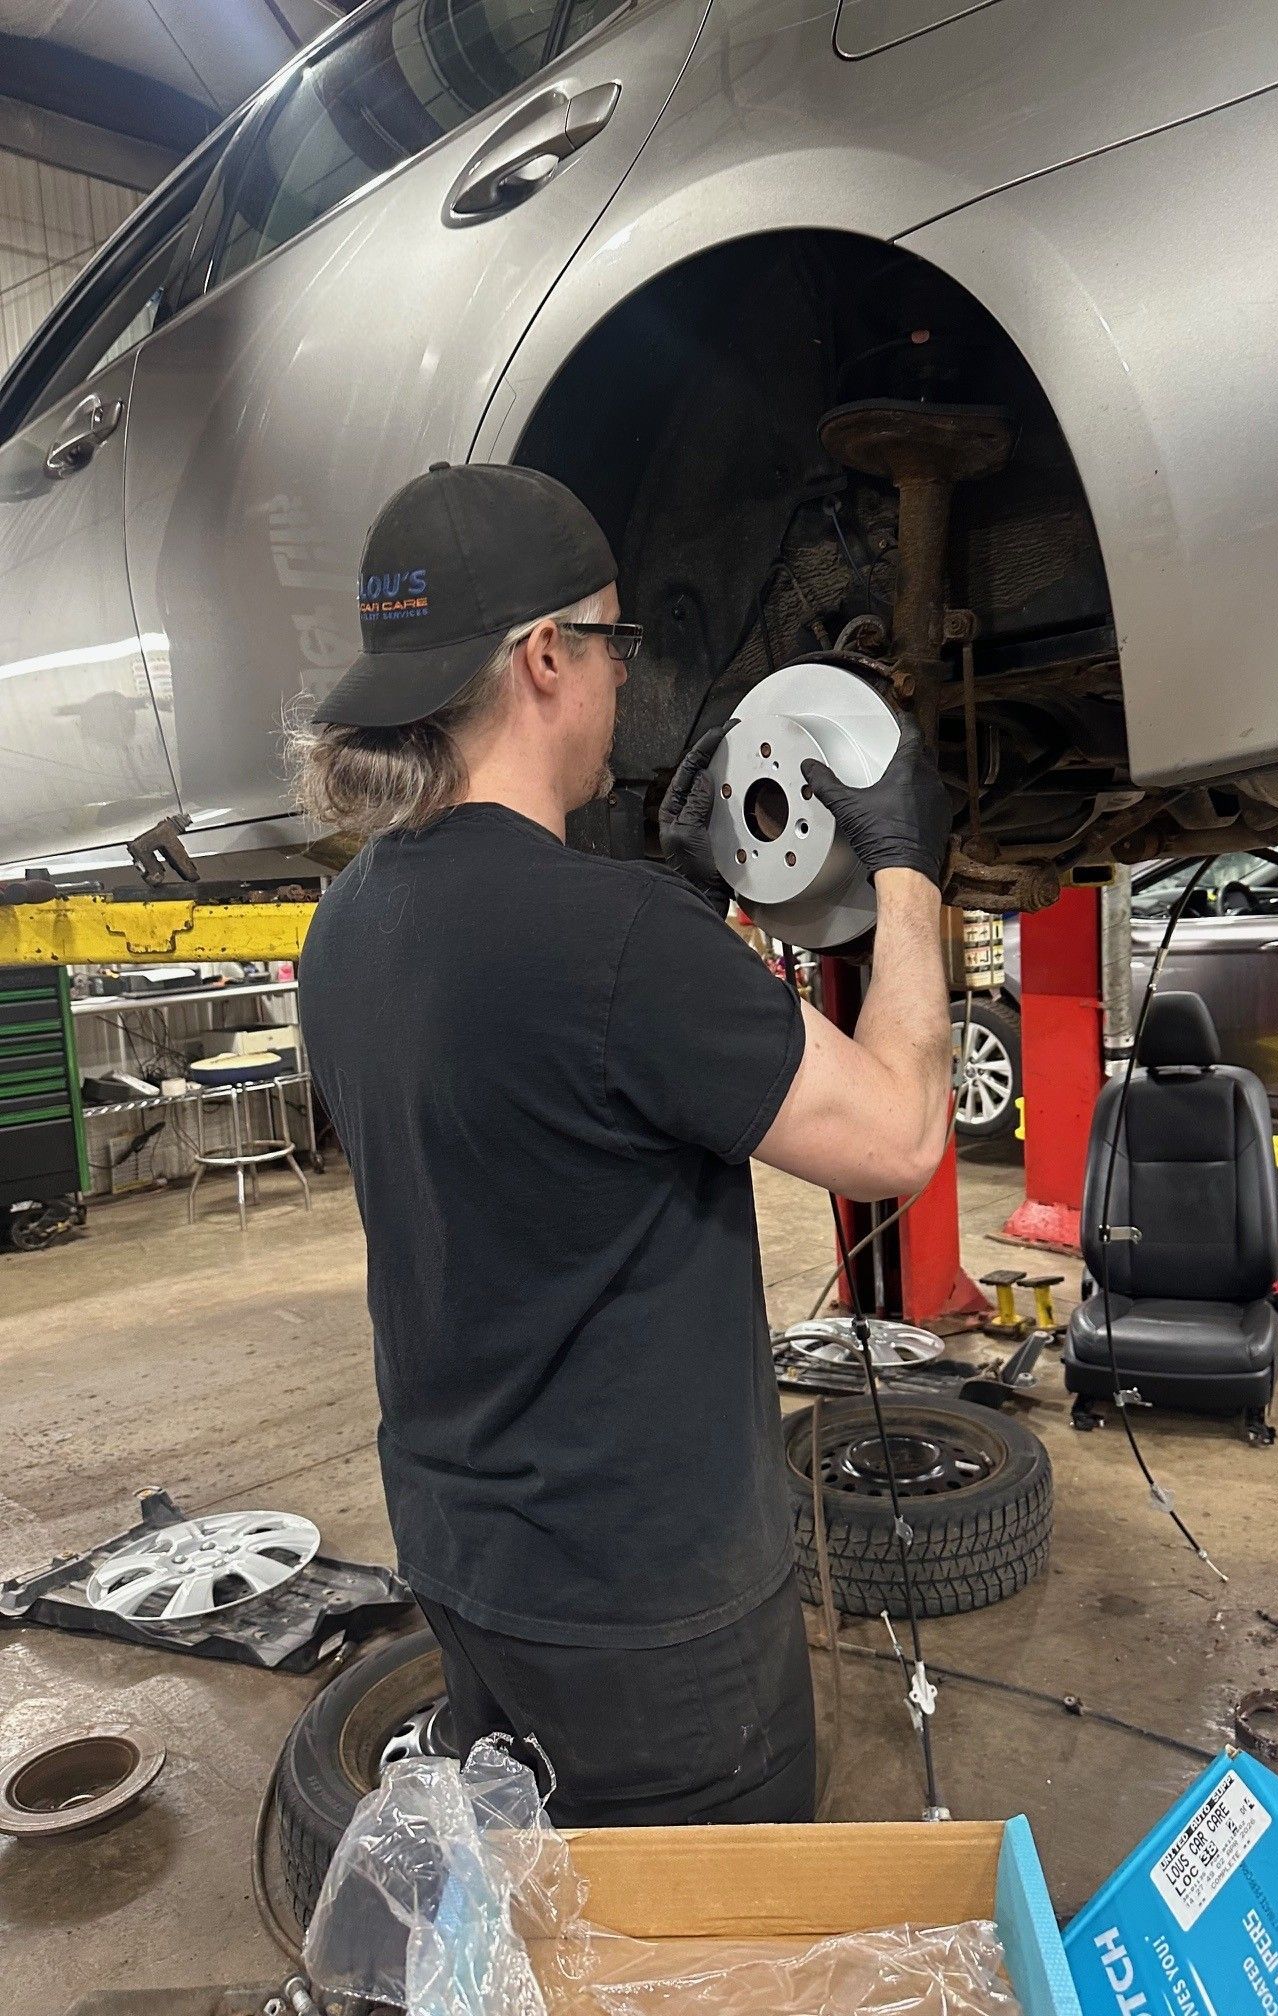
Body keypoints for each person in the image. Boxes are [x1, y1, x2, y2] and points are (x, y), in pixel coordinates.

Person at [293, 461, 953, 1826]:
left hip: (468, 1564)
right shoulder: (616, 942)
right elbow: (899, 1137)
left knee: (555, 1914)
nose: (623, 683)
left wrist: (689, 898)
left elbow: (564, 1111)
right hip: (654, 1618)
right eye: (613, 645)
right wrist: (910, 868)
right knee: (699, 1947)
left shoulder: (346, 928)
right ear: (545, 657)